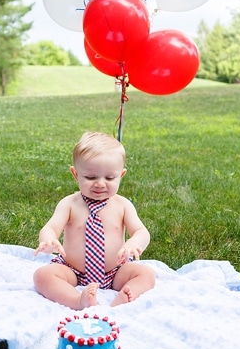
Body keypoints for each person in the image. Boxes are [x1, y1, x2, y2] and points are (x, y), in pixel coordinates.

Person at [33, 131, 156, 309]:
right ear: (75, 174)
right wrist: (48, 241)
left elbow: (141, 231)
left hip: (115, 271)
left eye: (109, 177)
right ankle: (77, 300)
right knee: (42, 276)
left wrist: (134, 243)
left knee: (147, 274)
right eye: (90, 177)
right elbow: (50, 227)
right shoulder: (69, 203)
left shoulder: (122, 205)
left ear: (121, 175)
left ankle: (126, 296)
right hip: (73, 270)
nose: (100, 183)